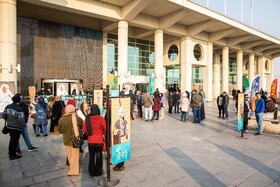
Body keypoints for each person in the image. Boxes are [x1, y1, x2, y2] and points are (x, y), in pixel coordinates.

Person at [58, 104, 83, 176]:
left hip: (66, 140)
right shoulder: (76, 118)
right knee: (75, 156)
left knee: (70, 155)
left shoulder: (61, 119)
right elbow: (81, 123)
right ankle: (74, 171)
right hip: (75, 139)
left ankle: (72, 169)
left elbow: (60, 130)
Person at [82, 104, 106, 176]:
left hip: (91, 140)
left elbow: (84, 129)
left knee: (91, 157)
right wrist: (103, 134)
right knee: (99, 157)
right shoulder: (101, 118)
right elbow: (105, 128)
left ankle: (91, 172)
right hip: (99, 140)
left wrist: (88, 134)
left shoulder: (87, 118)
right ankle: (98, 171)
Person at [2, 94, 25, 160]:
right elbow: (21, 120)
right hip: (17, 128)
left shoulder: (8, 106)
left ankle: (10, 153)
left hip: (9, 127)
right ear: (19, 100)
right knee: (15, 141)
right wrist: (23, 126)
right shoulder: (19, 109)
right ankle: (13, 155)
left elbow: (4, 115)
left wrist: (9, 120)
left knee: (11, 140)